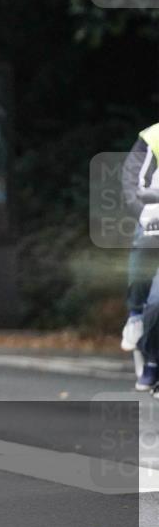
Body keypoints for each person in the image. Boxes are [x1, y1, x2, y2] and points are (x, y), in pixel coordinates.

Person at [121, 122, 159, 390]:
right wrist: (148, 217)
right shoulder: (155, 137)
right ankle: (136, 314)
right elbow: (135, 185)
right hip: (155, 214)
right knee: (155, 302)